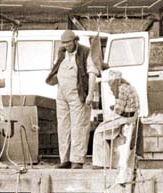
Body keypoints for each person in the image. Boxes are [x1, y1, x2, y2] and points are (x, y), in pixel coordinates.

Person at [46, 30, 98, 169]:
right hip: (62, 95)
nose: (66, 45)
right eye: (64, 43)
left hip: (78, 94)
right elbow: (56, 71)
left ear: (75, 41)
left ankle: (77, 160)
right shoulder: (62, 53)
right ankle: (65, 159)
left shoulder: (85, 52)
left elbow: (92, 74)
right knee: (63, 126)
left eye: (68, 42)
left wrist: (90, 94)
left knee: (79, 126)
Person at [92, 69, 140, 173]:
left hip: (125, 118)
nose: (110, 85)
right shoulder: (128, 87)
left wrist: (111, 110)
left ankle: (101, 163)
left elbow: (119, 110)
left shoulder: (121, 89)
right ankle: (109, 162)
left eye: (110, 82)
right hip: (131, 116)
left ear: (115, 81)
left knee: (99, 132)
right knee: (105, 129)